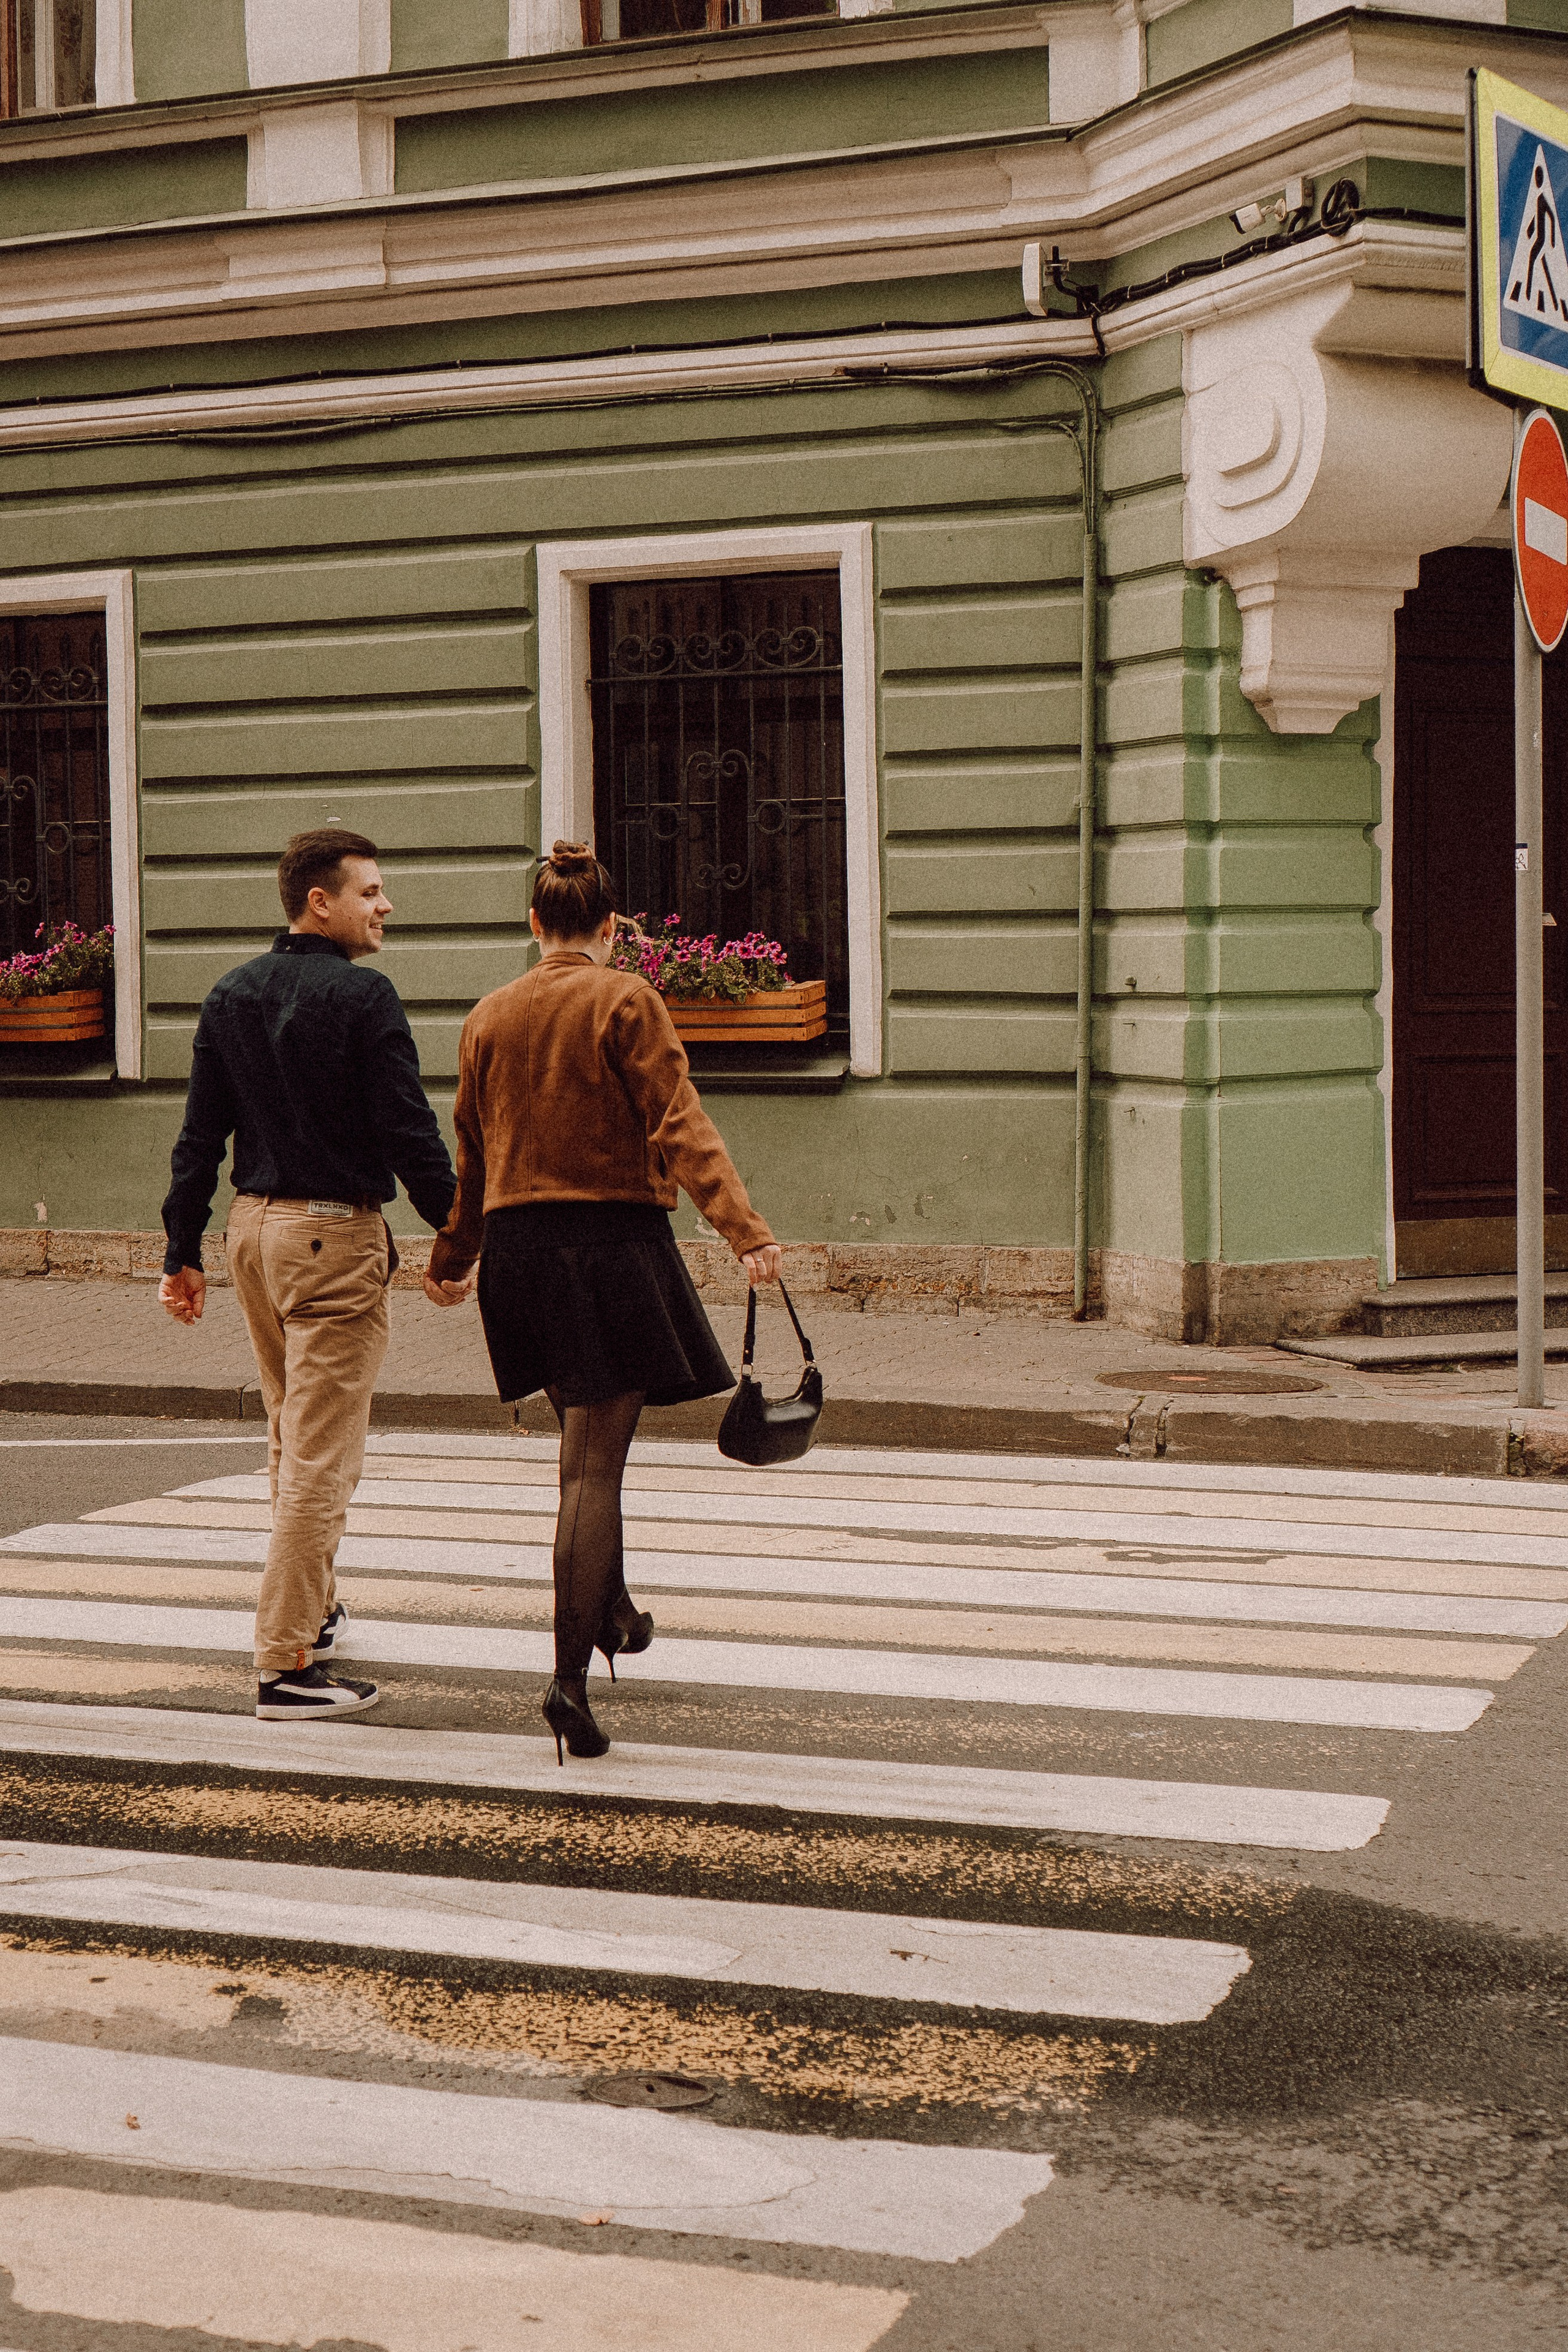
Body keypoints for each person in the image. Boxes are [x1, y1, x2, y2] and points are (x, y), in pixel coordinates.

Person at [424, 839, 780, 1763]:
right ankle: (568, 1682)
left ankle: (614, 1608)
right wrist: (745, 1230)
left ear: (535, 924)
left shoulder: (488, 1016)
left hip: (521, 1258)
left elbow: (472, 1149)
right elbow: (680, 1121)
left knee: (584, 1448)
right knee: (592, 1469)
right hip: (611, 1249)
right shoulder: (627, 998)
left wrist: (453, 1257)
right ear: (611, 927)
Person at [158, 827, 465, 1722]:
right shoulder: (366, 998)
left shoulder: (231, 992)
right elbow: (411, 1134)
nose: (386, 906)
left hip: (253, 1237)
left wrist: (182, 1249)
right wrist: (458, 1236)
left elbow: (199, 1138)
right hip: (333, 1239)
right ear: (318, 902)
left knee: (292, 1436)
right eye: (370, 891)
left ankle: (317, 1614)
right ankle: (286, 1664)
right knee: (323, 1457)